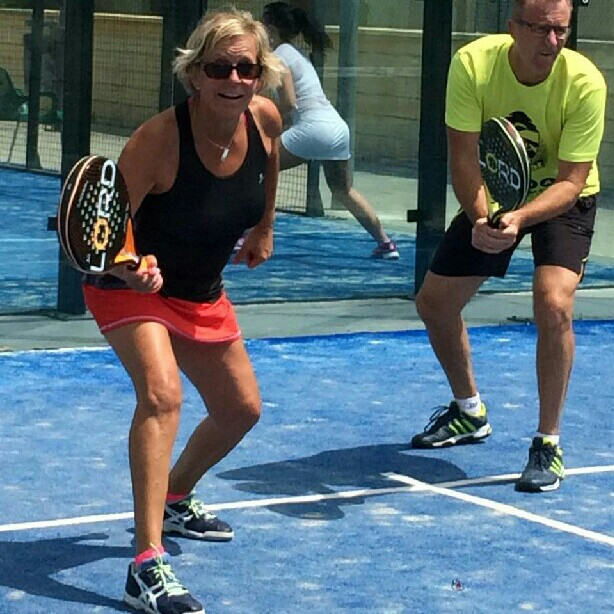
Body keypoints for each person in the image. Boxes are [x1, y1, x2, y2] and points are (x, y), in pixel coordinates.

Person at [82, 9, 283, 614]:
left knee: (240, 409)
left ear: (260, 74)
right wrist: (129, 264)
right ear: (194, 73)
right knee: (162, 396)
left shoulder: (265, 119)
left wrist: (264, 227)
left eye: (246, 67)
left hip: (200, 289)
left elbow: (269, 164)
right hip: (130, 288)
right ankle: (146, 564)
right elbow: (105, 225)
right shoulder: (158, 140)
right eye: (219, 67)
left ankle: (175, 496)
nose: (234, 79)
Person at [411, 0, 606, 493]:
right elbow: (463, 157)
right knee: (434, 304)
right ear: (513, 27)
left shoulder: (585, 81)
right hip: (496, 193)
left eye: (561, 30)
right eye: (541, 29)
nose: (552, 41)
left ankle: (547, 443)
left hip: (563, 199)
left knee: (553, 302)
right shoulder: (472, 64)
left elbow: (571, 181)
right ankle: (469, 411)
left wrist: (519, 219)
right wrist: (483, 219)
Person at [261, 1, 400, 260]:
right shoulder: (294, 53)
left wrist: (262, 120)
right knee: (343, 189)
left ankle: (248, 235)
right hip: (336, 129)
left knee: (257, 167)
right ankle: (385, 243)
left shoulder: (279, 56)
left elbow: (289, 104)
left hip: (313, 129)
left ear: (270, 30)